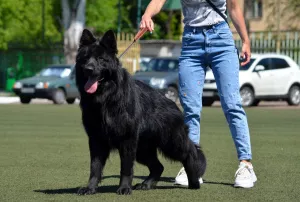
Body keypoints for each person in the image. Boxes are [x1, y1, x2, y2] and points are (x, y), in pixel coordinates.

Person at [140, 0, 257, 188]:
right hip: (191, 41)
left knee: (232, 104)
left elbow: (234, 8)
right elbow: (158, 1)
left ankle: (246, 164)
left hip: (221, 38)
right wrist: (147, 15)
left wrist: (245, 40)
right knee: (190, 108)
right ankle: (191, 164)